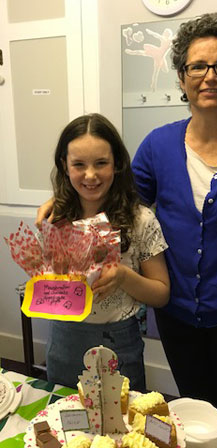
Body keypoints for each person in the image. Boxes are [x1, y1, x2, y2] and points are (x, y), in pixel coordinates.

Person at [37, 13, 217, 436]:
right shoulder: (159, 145)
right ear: (181, 76)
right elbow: (116, 197)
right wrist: (60, 198)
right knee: (193, 419)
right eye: (198, 66)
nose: (210, 76)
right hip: (179, 324)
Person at [42, 113, 170, 392]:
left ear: (118, 164)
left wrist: (124, 276)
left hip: (117, 341)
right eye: (79, 164)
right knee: (65, 422)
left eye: (101, 163)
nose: (90, 175)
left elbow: (161, 293)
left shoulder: (140, 220)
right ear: (65, 166)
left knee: (120, 426)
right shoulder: (56, 217)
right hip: (63, 340)